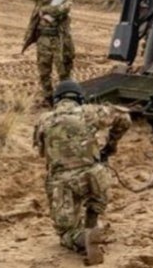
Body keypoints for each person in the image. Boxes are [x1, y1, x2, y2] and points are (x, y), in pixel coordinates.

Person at [33, 80, 131, 265]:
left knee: (65, 232)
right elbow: (125, 118)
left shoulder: (44, 120)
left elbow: (42, 153)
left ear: (56, 100)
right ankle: (92, 225)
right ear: (79, 98)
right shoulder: (90, 112)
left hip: (62, 183)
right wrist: (110, 146)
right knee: (95, 199)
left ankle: (81, 239)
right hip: (94, 178)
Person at [23, 0, 75, 104]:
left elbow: (61, 10)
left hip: (59, 40)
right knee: (44, 70)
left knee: (63, 70)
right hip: (44, 39)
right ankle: (48, 97)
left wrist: (45, 10)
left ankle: (66, 97)